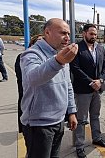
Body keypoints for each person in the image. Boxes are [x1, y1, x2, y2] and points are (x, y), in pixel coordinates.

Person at [20, 18, 78, 158]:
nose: (67, 38)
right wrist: (58, 61)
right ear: (47, 32)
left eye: (68, 34)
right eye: (63, 33)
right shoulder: (32, 54)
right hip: (39, 126)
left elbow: (67, 84)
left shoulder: (61, 53)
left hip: (58, 122)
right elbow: (32, 78)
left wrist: (71, 111)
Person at [70, 24, 105, 158]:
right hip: (82, 90)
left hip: (97, 89)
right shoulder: (77, 48)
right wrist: (91, 82)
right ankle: (79, 146)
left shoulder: (100, 48)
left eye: (95, 34)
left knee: (95, 115)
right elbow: (75, 68)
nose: (94, 36)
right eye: (91, 34)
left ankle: (96, 138)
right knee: (81, 119)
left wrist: (100, 81)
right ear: (84, 34)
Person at [15, 34, 43, 133]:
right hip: (25, 86)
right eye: (39, 41)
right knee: (23, 103)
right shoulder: (23, 56)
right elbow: (21, 75)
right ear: (32, 44)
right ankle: (23, 127)